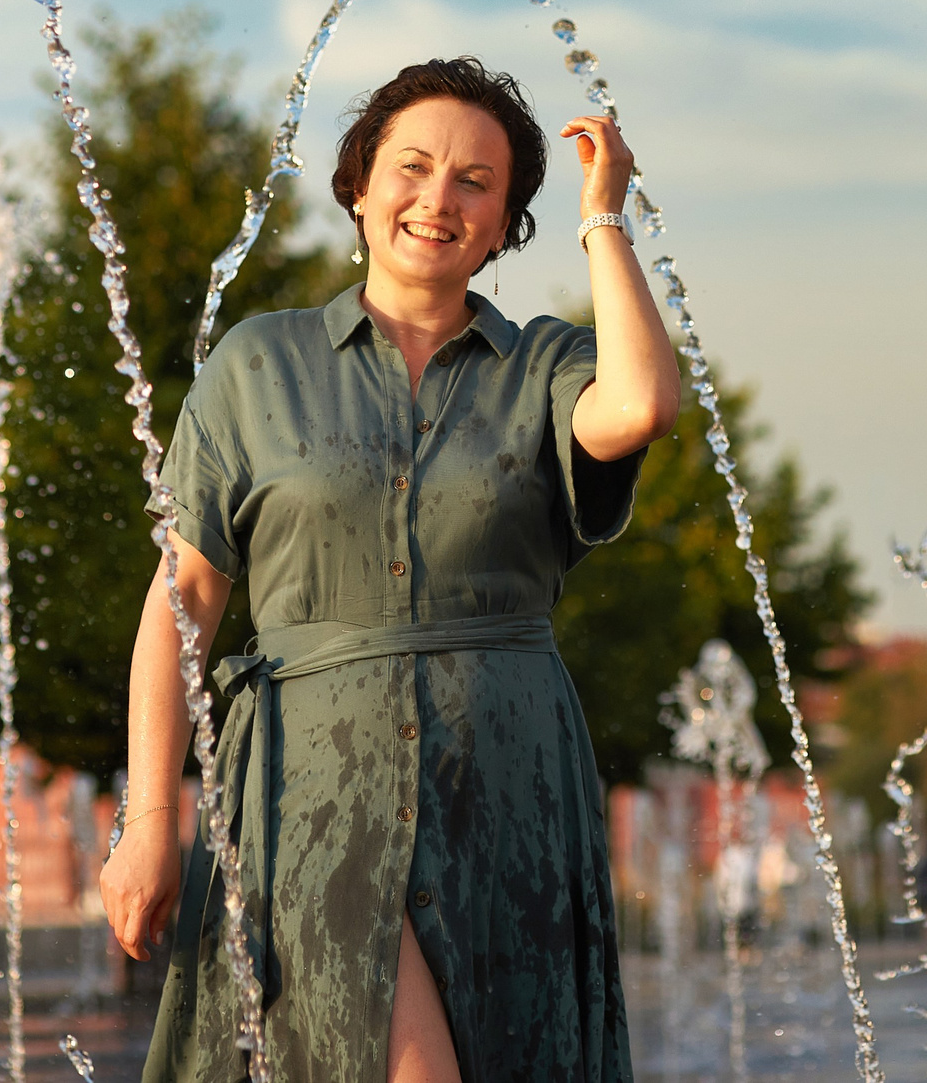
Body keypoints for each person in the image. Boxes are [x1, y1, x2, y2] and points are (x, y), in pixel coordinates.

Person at [100, 58, 681, 1083]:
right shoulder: (256, 364)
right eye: (412, 167)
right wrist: (148, 820)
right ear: (359, 187)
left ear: (504, 226)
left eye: (475, 182)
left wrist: (604, 217)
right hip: (312, 795)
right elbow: (182, 600)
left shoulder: (546, 364)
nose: (438, 199)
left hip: (510, 796)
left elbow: (640, 405)